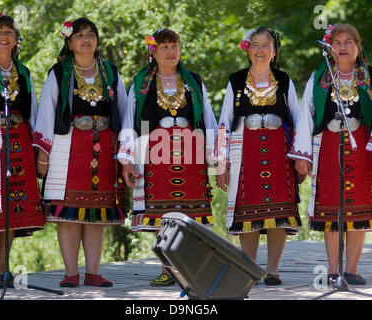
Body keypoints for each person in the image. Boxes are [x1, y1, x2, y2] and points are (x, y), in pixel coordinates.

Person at [118, 28, 217, 286]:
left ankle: (191, 270)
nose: (171, 51)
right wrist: (127, 158)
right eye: (164, 46)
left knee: (190, 212)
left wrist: (216, 154)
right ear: (154, 51)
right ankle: (167, 268)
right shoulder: (142, 82)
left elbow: (208, 117)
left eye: (174, 45)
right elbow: (130, 119)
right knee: (162, 212)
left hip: (191, 152)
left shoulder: (193, 81)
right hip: (155, 153)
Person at [33, 18, 127, 288]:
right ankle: (71, 273)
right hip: (66, 148)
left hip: (104, 149)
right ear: (70, 42)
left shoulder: (109, 71)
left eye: (91, 35)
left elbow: (123, 111)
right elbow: (47, 113)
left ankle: (94, 273)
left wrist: (126, 150)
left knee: (96, 213)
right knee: (68, 213)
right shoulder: (60, 72)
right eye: (80, 36)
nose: (86, 40)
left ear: (97, 40)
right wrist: (43, 154)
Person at [215, 27, 302, 285]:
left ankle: (273, 270)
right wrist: (221, 163)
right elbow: (224, 123)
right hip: (245, 156)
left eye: (266, 45)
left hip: (279, 156)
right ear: (248, 49)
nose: (261, 50)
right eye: (256, 45)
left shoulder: (284, 81)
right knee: (248, 214)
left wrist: (301, 159)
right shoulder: (236, 81)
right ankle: (249, 270)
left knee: (279, 214)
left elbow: (298, 120)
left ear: (274, 51)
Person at [288, 24, 372, 285]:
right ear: (330, 48)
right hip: (328, 147)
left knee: (358, 211)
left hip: (361, 151)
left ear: (358, 48)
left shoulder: (368, 77)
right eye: (337, 43)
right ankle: (334, 271)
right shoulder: (320, 78)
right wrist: (302, 154)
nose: (344, 47)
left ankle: (353, 270)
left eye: (349, 42)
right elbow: (306, 115)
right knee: (331, 211)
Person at [0, 13, 46, 288]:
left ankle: (4, 269)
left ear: (17, 40)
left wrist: (40, 151)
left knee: (14, 207)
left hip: (20, 141)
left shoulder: (23, 71)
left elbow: (33, 113)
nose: (4, 36)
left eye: (10, 32)